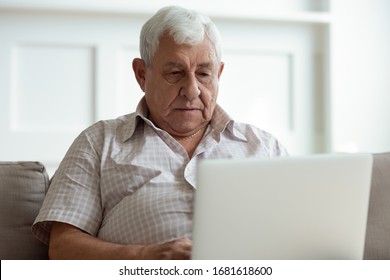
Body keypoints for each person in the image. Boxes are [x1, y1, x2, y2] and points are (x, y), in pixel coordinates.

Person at [32, 5, 288, 260]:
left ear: (219, 74)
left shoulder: (264, 147)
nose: (192, 90)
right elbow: (63, 246)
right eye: (175, 73)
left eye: (204, 74)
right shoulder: (99, 141)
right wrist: (146, 256)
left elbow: (301, 234)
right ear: (142, 74)